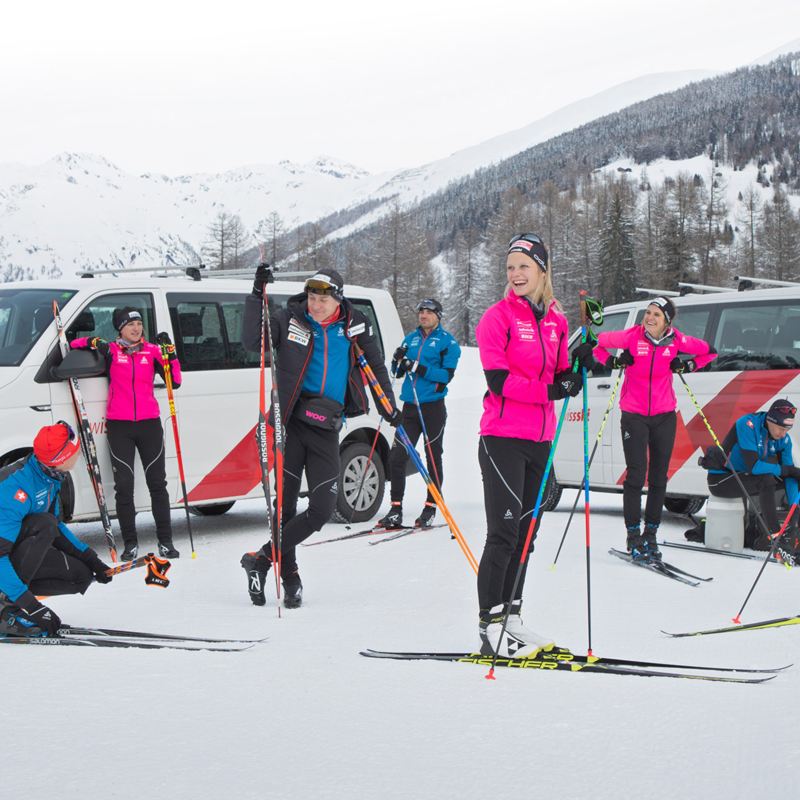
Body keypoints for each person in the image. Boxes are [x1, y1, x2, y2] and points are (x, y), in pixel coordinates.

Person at [240, 267, 399, 609]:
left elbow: (375, 366)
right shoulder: (290, 320)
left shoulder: (354, 326)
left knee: (322, 508)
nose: (315, 305)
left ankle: (262, 559)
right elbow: (253, 342)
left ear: (338, 299)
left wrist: (389, 406)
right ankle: (291, 576)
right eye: (312, 297)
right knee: (285, 509)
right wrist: (257, 294)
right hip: (292, 423)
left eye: (323, 299)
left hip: (327, 426)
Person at [475, 233, 583, 658]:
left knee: (527, 534)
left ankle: (512, 618)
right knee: (503, 534)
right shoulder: (497, 318)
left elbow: (562, 372)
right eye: (510, 267)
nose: (516, 274)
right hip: (501, 440)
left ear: (542, 269)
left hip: (539, 442)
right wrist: (553, 390)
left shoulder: (556, 321)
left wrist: (578, 367)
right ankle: (489, 626)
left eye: (524, 265)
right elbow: (499, 382)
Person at [591, 296, 716, 562]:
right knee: (636, 474)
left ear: (667, 320)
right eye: (647, 313)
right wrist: (613, 362)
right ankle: (633, 534)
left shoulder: (677, 342)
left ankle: (651, 534)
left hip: (664, 416)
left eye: (656, 315)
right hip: (634, 415)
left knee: (660, 477)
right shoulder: (631, 337)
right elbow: (595, 344)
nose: (649, 318)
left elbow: (710, 351)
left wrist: (689, 364)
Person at [70, 307, 182, 561]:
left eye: (139, 324)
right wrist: (91, 341)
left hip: (149, 425)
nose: (136, 328)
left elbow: (174, 381)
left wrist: (171, 355)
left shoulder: (152, 351)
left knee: (158, 485)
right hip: (120, 426)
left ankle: (166, 541)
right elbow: (74, 344)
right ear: (119, 328)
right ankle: (130, 543)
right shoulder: (111, 350)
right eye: (130, 324)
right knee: (124, 487)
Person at [0, 422, 113, 637]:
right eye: (75, 450)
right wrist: (32, 606)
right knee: (44, 524)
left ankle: (12, 594)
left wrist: (91, 559)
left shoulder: (50, 476)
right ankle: (5, 609)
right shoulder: (13, 488)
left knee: (80, 576)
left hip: (12, 548)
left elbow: (57, 526)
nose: (79, 453)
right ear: (60, 458)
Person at [377, 298, 461, 530]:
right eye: (421, 311)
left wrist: (418, 367)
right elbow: (397, 372)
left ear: (438, 315)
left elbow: (446, 376)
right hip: (410, 407)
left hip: (433, 407)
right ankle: (395, 509)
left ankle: (430, 507)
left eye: (428, 311)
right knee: (397, 456)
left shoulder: (447, 343)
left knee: (432, 456)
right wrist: (398, 361)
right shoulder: (410, 339)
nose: (423, 315)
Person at [701, 398, 800, 556]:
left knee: (789, 479)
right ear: (770, 420)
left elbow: (789, 476)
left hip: (744, 478)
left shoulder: (784, 441)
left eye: (787, 429)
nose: (783, 434)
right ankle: (775, 537)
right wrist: (789, 470)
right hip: (721, 480)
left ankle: (790, 532)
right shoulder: (747, 424)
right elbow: (754, 466)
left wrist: (794, 511)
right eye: (781, 428)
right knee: (766, 478)